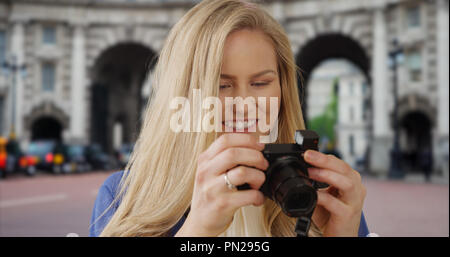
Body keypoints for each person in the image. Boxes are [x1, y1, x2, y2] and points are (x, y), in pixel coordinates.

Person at [90, 0, 369, 237]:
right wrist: (195, 232)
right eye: (222, 86)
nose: (244, 105)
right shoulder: (123, 196)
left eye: (261, 84)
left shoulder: (325, 199)